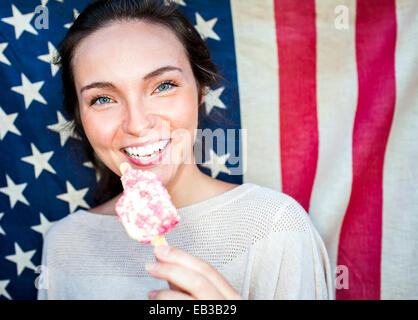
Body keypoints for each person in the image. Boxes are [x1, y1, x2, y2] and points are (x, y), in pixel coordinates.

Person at [37, 0, 334, 300]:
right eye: (102, 99)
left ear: (200, 91)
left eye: (163, 85)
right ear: (80, 117)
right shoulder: (64, 245)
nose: (138, 124)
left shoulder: (276, 227)